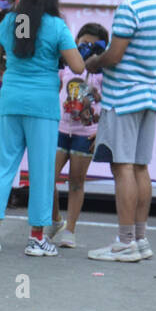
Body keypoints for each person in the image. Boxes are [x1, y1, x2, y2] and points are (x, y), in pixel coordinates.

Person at [0, 0, 84, 258]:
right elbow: (78, 66)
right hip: (42, 107)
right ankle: (36, 238)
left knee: (3, 168)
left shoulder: (10, 22)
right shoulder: (56, 26)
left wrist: (11, 64)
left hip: (11, 100)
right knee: (41, 171)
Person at [83, 0, 156, 263]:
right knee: (140, 167)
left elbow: (115, 54)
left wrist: (95, 62)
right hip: (149, 95)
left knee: (121, 166)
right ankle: (140, 238)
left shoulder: (131, 5)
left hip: (122, 97)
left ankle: (124, 242)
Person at [46, 22, 107, 249]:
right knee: (47, 177)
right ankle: (55, 220)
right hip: (61, 128)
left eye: (93, 44)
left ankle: (70, 230)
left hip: (87, 133)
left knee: (76, 183)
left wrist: (102, 128)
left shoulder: (104, 72)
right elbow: (54, 86)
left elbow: (110, 101)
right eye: (83, 43)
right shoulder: (66, 64)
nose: (87, 48)